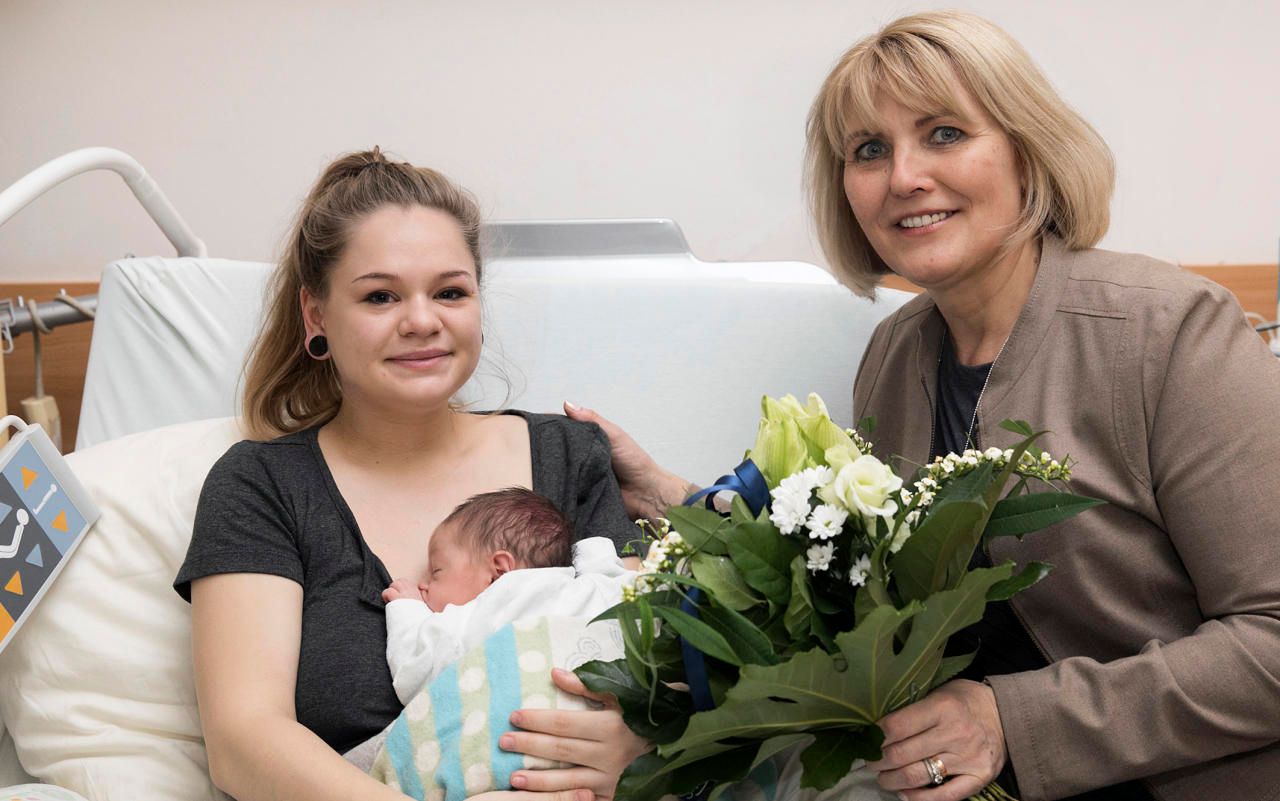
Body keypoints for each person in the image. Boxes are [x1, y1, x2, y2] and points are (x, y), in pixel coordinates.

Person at [566, 11, 1280, 801]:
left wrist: (1013, 720)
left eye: (944, 134)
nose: (903, 176)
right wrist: (679, 502)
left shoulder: (1170, 330)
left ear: (1027, 150)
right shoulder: (895, 354)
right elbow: (852, 578)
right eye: (869, 150)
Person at [173, 148, 649, 801]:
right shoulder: (262, 486)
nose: (423, 321)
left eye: (450, 292)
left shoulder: (569, 456)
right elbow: (243, 741)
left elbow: (657, 656)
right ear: (316, 315)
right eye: (380, 296)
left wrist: (642, 746)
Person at [379, 487, 633, 703]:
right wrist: (593, 555)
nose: (423, 585)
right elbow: (632, 596)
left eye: (436, 572)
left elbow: (415, 673)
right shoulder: (592, 589)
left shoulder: (488, 611)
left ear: (499, 571)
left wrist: (408, 608)